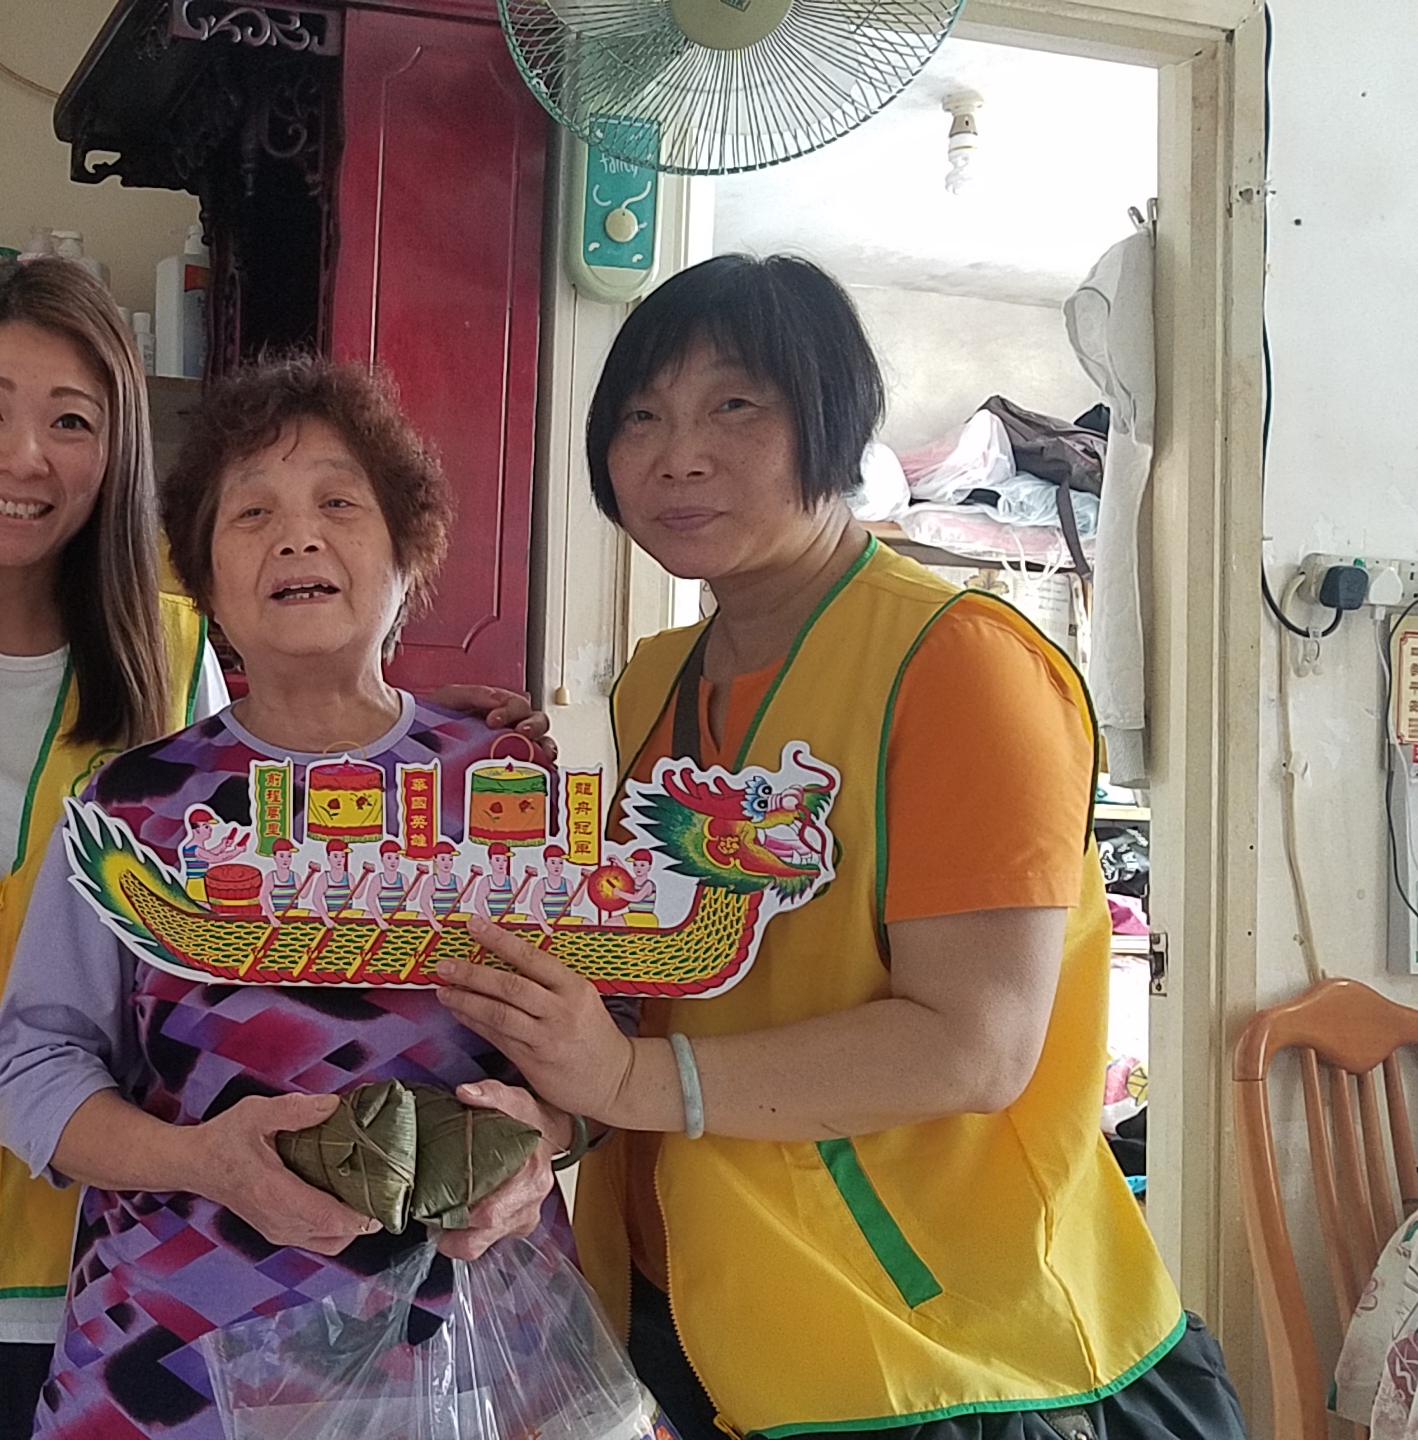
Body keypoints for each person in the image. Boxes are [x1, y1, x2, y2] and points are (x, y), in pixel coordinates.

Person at [0, 262, 545, 1440]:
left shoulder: (177, 656)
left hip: (87, 1281)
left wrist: (446, 749)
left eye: (71, 420)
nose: (23, 454)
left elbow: (304, 796)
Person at [432, 254, 1245, 1439]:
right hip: (687, 1309)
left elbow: (972, 1045)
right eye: (641, 417)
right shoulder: (656, 680)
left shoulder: (964, 665)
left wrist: (625, 1083)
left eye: (733, 406)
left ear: (832, 425)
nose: (677, 456)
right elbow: (664, 987)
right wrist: (459, 774)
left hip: (932, 1351)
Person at [0, 354, 606, 1440]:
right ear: (207, 582)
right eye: (252, 512)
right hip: (174, 1347)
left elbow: (603, 1054)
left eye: (339, 504)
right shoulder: (132, 809)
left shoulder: (509, 791)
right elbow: (30, 1067)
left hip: (461, 1341)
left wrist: (542, 1140)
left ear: (407, 551)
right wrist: (203, 1162)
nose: (298, 536)